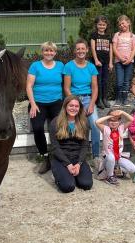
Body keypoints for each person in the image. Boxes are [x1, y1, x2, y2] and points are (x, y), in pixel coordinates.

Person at [27, 41, 64, 174]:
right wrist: (32, 104)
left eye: (51, 51)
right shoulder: (35, 66)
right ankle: (44, 156)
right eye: (46, 50)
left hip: (56, 102)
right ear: (42, 52)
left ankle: (58, 155)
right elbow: (29, 86)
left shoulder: (60, 66)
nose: (49, 53)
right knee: (37, 127)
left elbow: (66, 84)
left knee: (58, 127)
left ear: (55, 52)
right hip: (38, 102)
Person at [48, 96, 94, 193]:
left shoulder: (84, 122)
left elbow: (85, 145)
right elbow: (55, 147)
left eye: (76, 106)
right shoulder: (55, 122)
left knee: (86, 184)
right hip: (61, 158)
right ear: (65, 107)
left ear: (80, 108)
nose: (73, 108)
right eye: (71, 105)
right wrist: (68, 164)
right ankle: (59, 174)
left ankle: (73, 175)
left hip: (77, 158)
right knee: (68, 187)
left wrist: (79, 163)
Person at [63, 39, 100, 158]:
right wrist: (77, 105)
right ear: (75, 51)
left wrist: (91, 104)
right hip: (73, 100)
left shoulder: (91, 67)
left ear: (87, 50)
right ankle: (73, 154)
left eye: (83, 49)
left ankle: (96, 155)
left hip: (88, 99)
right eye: (78, 49)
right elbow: (67, 88)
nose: (80, 51)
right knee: (72, 125)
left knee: (95, 125)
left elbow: (95, 88)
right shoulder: (69, 66)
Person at [95, 108, 135, 185]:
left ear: (120, 121)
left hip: (118, 157)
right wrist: (110, 116)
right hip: (108, 158)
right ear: (108, 121)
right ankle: (110, 176)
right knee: (111, 157)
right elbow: (97, 122)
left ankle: (116, 171)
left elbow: (132, 119)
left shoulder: (121, 128)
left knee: (132, 169)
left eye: (116, 120)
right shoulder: (105, 129)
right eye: (111, 120)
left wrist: (122, 112)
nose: (114, 123)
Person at [112, 15, 135, 106]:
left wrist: (130, 59)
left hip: (129, 62)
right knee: (119, 81)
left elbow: (134, 49)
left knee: (126, 81)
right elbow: (114, 48)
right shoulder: (117, 35)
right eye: (119, 25)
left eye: (123, 23)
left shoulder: (132, 36)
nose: (121, 26)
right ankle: (118, 99)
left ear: (128, 23)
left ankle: (125, 99)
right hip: (119, 62)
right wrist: (120, 58)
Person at [90, 15, 113, 108]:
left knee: (105, 81)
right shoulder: (94, 35)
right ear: (96, 25)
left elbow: (111, 49)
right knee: (98, 81)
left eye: (103, 25)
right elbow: (92, 48)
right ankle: (98, 99)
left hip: (106, 61)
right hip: (97, 62)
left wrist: (111, 62)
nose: (102, 26)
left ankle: (104, 98)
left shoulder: (108, 36)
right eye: (100, 24)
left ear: (106, 25)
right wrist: (96, 60)